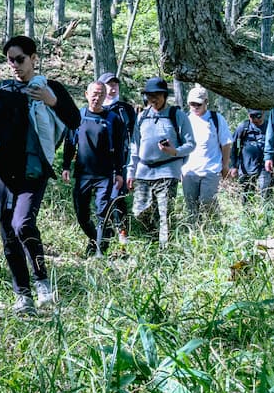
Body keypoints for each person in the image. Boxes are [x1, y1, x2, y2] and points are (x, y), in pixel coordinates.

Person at [0, 35, 73, 315]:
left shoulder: (50, 88)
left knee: (23, 224)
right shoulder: (4, 88)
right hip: (4, 171)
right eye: (10, 61)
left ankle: (42, 281)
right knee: (8, 231)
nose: (15, 65)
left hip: (35, 168)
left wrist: (52, 101)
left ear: (33, 58)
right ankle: (23, 295)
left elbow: (74, 120)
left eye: (20, 59)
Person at [126, 77, 195, 247]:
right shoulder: (142, 117)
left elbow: (191, 144)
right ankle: (153, 238)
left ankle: (165, 250)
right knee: (139, 212)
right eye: (150, 96)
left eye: (157, 95)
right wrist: (130, 172)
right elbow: (135, 146)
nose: (153, 99)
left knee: (165, 215)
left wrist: (174, 151)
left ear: (165, 95)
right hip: (144, 172)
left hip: (167, 171)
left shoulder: (176, 115)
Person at [62, 80, 127, 257]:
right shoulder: (78, 116)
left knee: (102, 212)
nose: (97, 98)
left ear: (105, 97)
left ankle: (99, 252)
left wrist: (119, 173)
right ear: (86, 95)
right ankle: (96, 238)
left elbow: (120, 149)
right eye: (94, 94)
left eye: (101, 94)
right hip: (82, 173)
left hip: (105, 175)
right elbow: (70, 142)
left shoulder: (113, 119)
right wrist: (66, 166)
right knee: (81, 214)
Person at [179, 86, 232, 225]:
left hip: (211, 169)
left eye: (198, 104)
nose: (195, 107)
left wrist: (225, 165)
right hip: (189, 171)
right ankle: (194, 232)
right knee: (191, 206)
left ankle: (215, 228)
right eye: (192, 104)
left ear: (206, 102)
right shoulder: (184, 120)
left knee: (207, 201)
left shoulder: (216, 119)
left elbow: (226, 143)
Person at [97, 72, 137, 243]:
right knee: (101, 197)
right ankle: (103, 231)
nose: (113, 89)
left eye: (115, 85)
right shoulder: (95, 108)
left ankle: (122, 231)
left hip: (122, 159)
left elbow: (135, 135)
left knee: (117, 195)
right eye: (109, 85)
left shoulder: (126, 109)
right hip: (99, 161)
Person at [231, 108, 272, 199]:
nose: (256, 119)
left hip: (264, 167)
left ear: (263, 113)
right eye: (252, 116)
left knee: (265, 194)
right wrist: (234, 166)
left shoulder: (269, 127)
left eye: (258, 116)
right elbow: (235, 147)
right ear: (248, 115)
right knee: (246, 196)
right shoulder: (243, 127)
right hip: (246, 167)